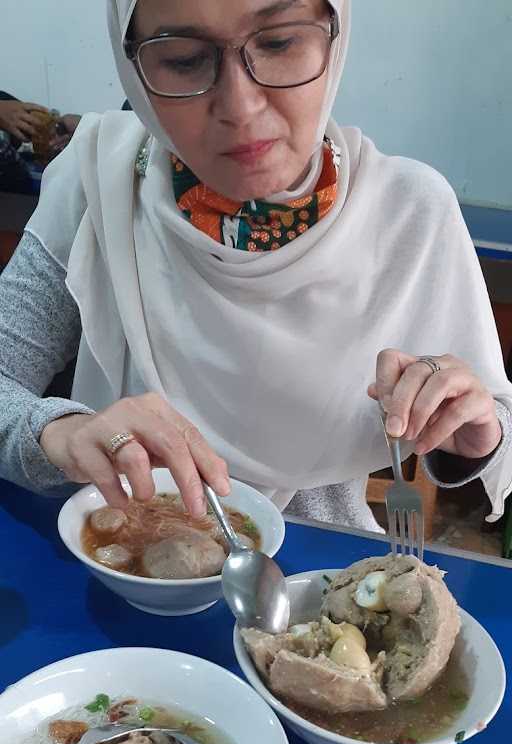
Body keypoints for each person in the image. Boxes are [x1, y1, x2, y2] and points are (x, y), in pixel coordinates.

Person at [0, 0, 511, 533]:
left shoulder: (407, 212)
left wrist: (471, 433)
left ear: (333, 39)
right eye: (182, 58)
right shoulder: (99, 185)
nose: (240, 107)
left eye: (278, 43)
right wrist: (60, 433)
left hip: (319, 586)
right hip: (123, 561)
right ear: (134, 70)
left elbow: (493, 420)